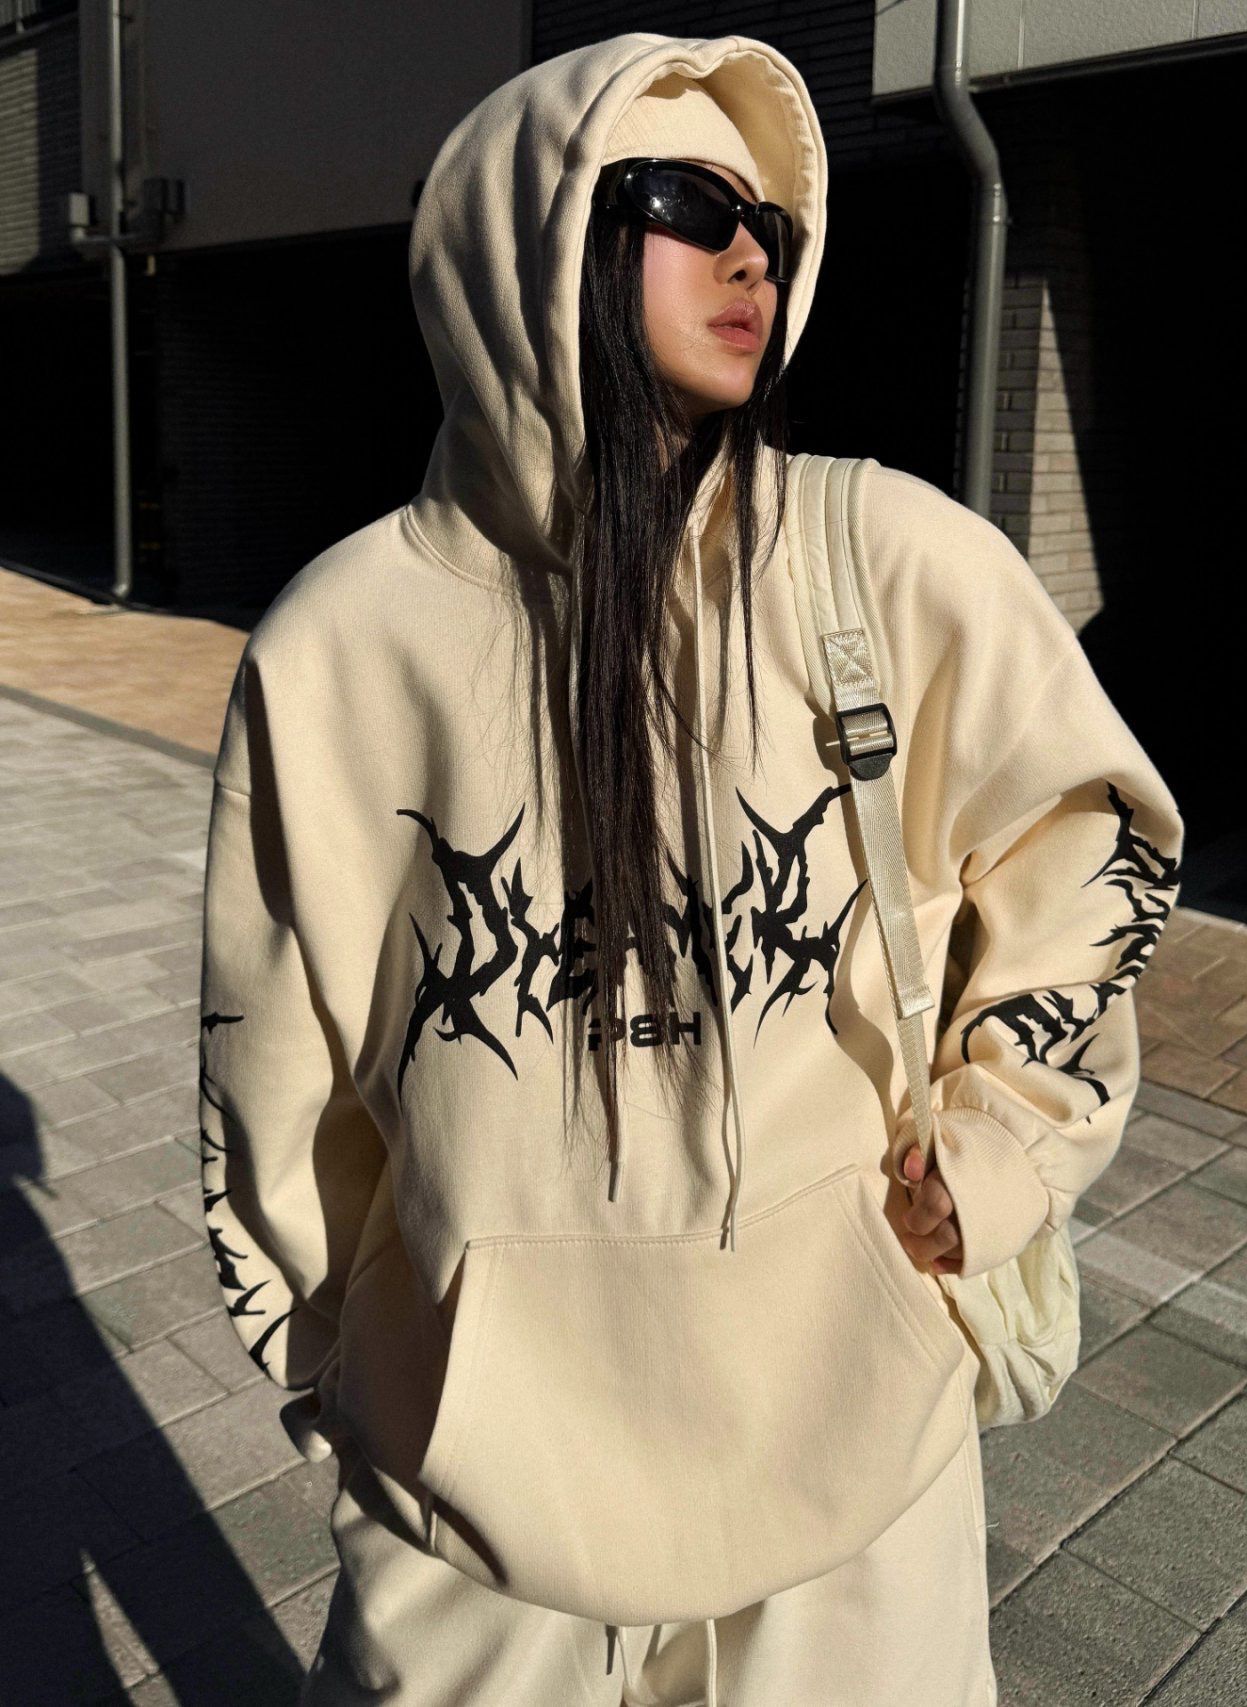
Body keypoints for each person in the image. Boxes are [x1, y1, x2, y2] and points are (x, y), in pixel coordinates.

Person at [197, 30, 1185, 1707]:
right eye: (682, 203)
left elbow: (1091, 841)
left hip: (848, 1437)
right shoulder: (342, 643)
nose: (751, 257)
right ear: (534, 232)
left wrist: (1003, 1141)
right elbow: (275, 1071)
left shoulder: (887, 560)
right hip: (478, 1504)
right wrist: (352, 1373)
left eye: (772, 228)